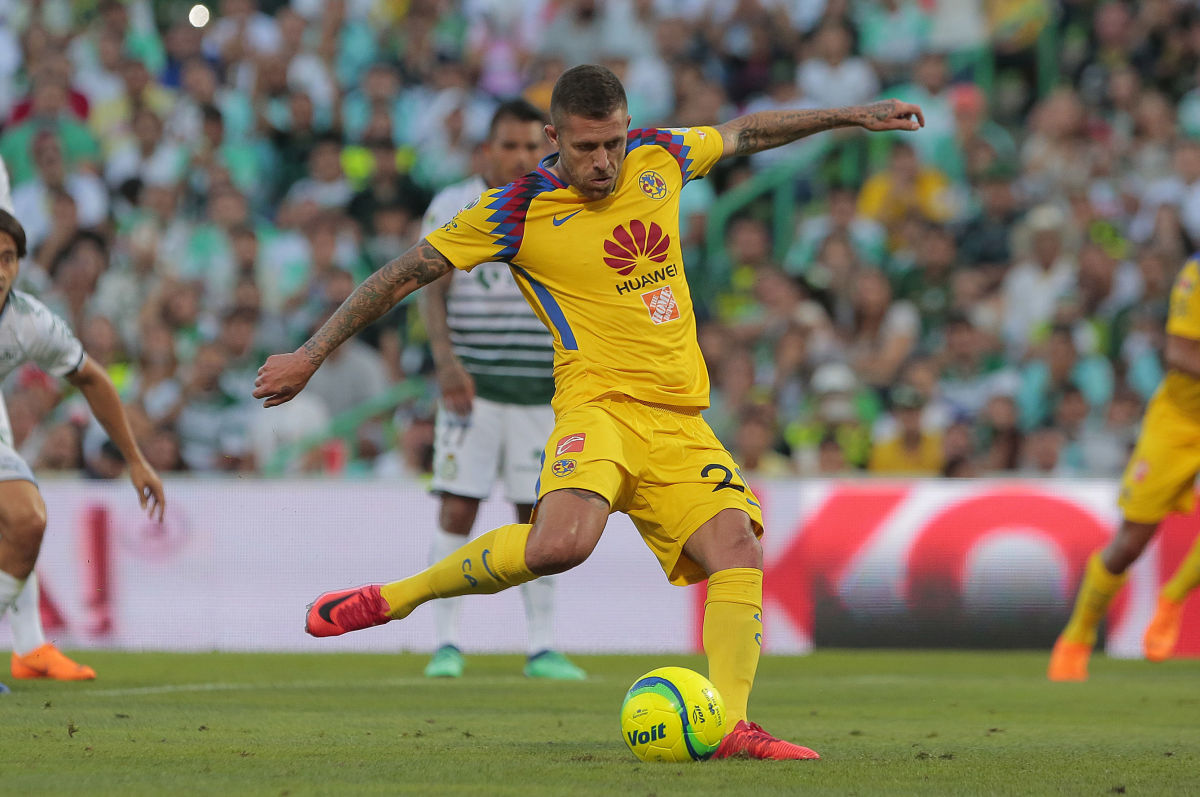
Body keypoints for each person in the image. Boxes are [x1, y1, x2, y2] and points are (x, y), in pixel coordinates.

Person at [255, 64, 923, 758]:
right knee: (558, 546)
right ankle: (399, 597)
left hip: (679, 418)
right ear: (554, 137)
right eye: (585, 148)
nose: (603, 161)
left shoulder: (660, 156)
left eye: (613, 143)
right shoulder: (514, 210)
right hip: (596, 406)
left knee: (738, 546)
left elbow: (744, 131)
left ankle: (730, 724)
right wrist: (311, 353)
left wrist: (851, 114)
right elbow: (402, 272)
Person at [418, 99, 585, 681]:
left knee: (536, 516)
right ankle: (446, 643)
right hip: (475, 387)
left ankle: (541, 645)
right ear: (486, 150)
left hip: (542, 388)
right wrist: (445, 362)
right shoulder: (452, 204)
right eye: (508, 146)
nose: (520, 157)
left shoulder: (559, 200)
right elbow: (430, 289)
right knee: (458, 507)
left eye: (529, 147)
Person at [0, 209, 165, 692]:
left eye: (8, 258)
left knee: (28, 519)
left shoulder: (29, 321)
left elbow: (91, 377)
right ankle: (29, 645)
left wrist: (136, 459)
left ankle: (29, 646)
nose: (0, 269)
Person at [1049, 252, 1200, 680]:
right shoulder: (1196, 273)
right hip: (1179, 421)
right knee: (1132, 541)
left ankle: (1171, 599)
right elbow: (1180, 353)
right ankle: (1078, 633)